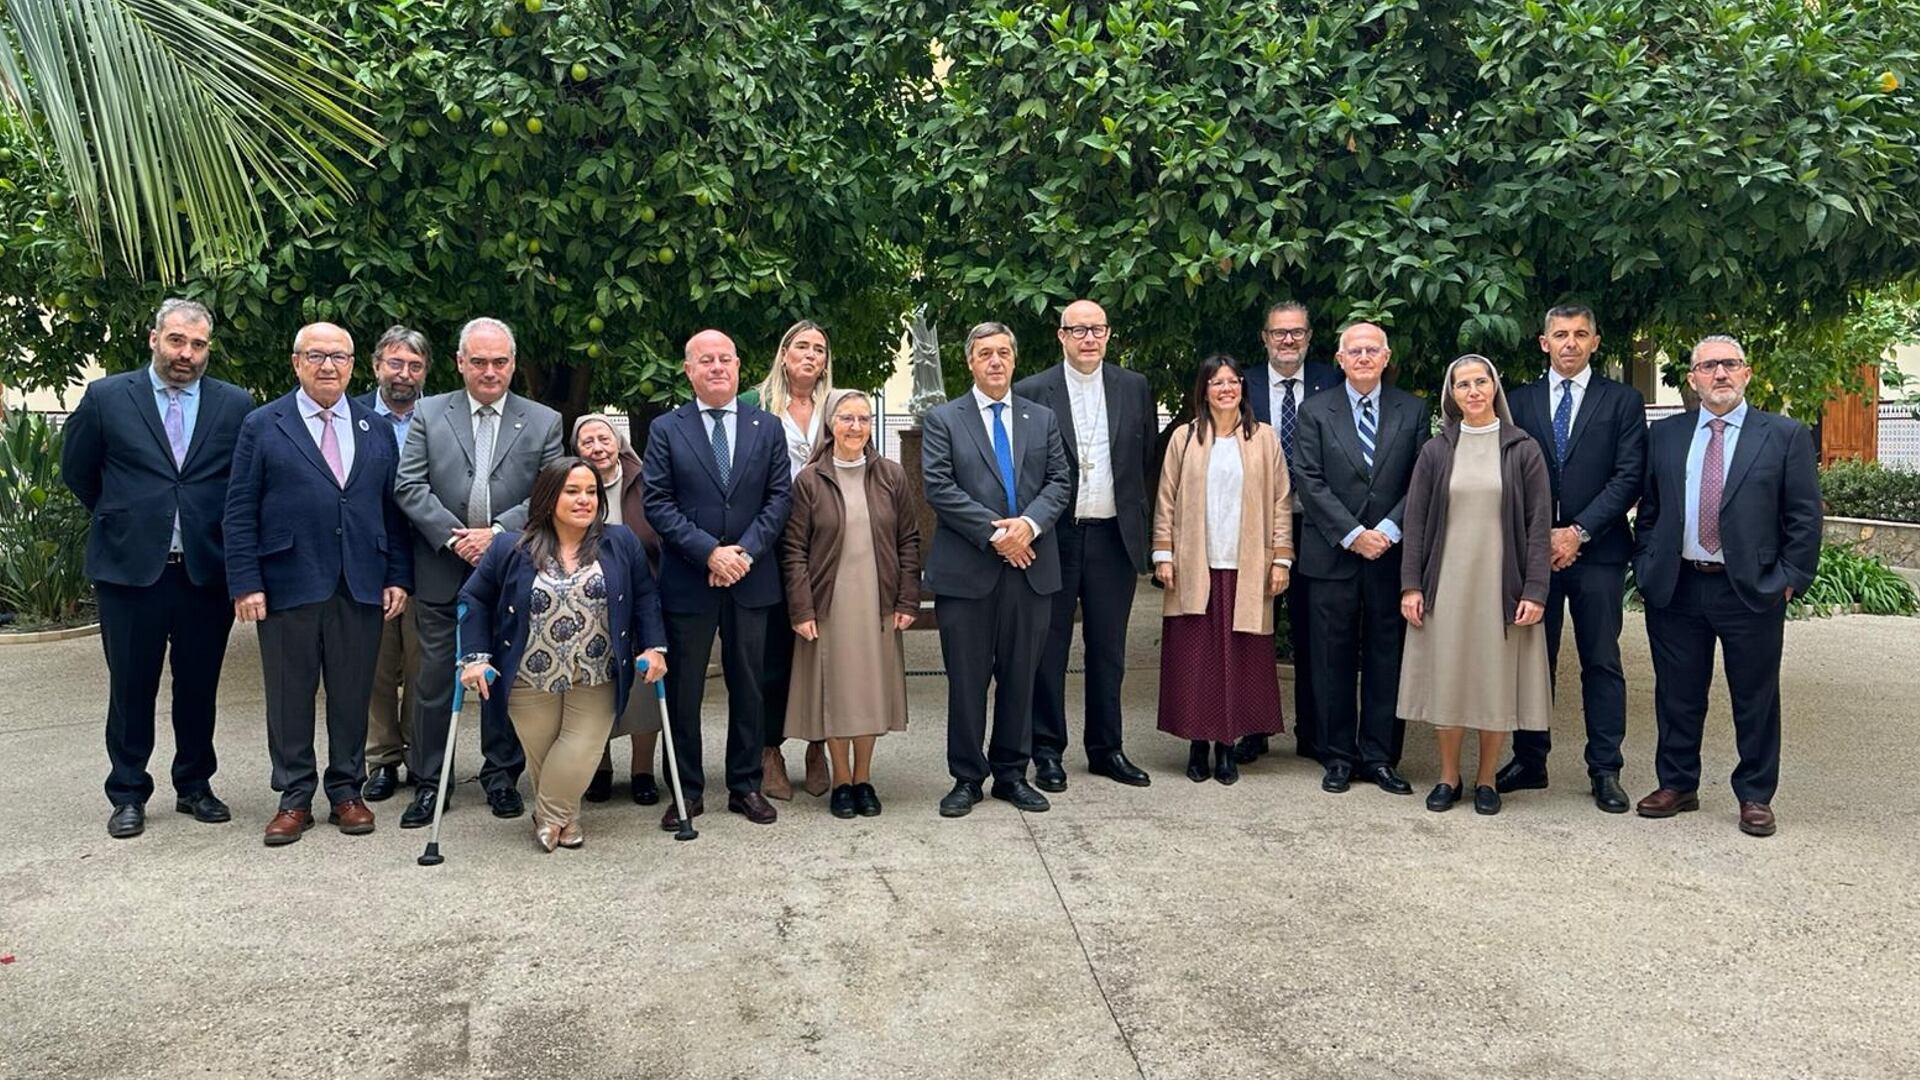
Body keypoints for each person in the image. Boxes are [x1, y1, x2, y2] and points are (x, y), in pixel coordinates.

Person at [60, 298, 253, 839]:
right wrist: (128, 517)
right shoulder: (106, 397)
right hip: (128, 572)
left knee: (198, 686)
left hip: (202, 573)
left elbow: (239, 485)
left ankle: (194, 785)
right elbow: (80, 472)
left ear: (207, 349)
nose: (185, 354)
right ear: (153, 339)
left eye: (196, 345)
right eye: (176, 341)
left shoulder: (233, 404)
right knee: (131, 686)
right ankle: (127, 792)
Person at [223, 323, 414, 845]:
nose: (328, 365)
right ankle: (294, 798)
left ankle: (346, 792)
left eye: (339, 356)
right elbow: (239, 509)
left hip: (361, 582)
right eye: (316, 355)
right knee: (289, 695)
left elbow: (391, 512)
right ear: (296, 362)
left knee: (352, 693)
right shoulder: (263, 425)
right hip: (287, 583)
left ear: (354, 365)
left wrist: (397, 574)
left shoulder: (374, 427)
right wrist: (245, 582)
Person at [1632, 335, 1821, 838]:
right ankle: (1677, 784)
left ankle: (1755, 795)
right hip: (1678, 586)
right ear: (1692, 378)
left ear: (1747, 373)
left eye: (1730, 365)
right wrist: (1648, 563)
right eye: (1708, 366)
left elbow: (1804, 517)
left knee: (1754, 697)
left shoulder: (1783, 435)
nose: (1720, 374)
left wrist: (1787, 580)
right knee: (1677, 694)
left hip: (1751, 590)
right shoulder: (1666, 436)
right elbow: (1649, 509)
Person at [392, 317, 565, 828]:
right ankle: (431, 781)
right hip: (442, 565)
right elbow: (409, 485)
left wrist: (494, 534)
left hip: (510, 568)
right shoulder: (427, 412)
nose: (490, 371)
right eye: (479, 362)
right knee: (431, 680)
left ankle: (501, 775)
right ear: (460, 363)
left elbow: (547, 492)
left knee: (504, 677)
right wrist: (454, 536)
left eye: (500, 362)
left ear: (512, 363)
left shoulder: (543, 419)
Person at [458, 459, 669, 850]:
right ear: (549, 496)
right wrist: (475, 656)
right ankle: (565, 821)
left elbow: (645, 596)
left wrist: (653, 647)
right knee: (544, 755)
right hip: (527, 676)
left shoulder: (619, 542)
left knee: (579, 751)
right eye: (572, 491)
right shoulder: (510, 546)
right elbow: (474, 596)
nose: (584, 500)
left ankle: (549, 816)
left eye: (591, 492)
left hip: (596, 674)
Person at [1497, 304, 1647, 812]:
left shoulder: (1622, 400)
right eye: (1560, 334)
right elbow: (1510, 479)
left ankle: (1605, 768)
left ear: (1595, 342)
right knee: (1532, 660)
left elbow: (1629, 476)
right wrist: (1543, 538)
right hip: (1534, 555)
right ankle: (1530, 759)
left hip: (1599, 553)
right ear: (1544, 343)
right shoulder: (1516, 402)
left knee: (1601, 661)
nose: (1570, 343)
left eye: (1580, 334)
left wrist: (1578, 532)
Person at [642, 329, 793, 829]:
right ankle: (685, 790)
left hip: (752, 578)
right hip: (690, 580)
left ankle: (745, 785)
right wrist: (710, 553)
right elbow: (658, 503)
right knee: (685, 689)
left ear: (738, 365)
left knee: (749, 683)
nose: (717, 367)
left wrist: (743, 552)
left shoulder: (767, 426)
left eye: (725, 358)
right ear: (688, 370)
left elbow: (779, 499)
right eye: (705, 360)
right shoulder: (667, 428)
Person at [920, 322, 1072, 818]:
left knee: (1021, 676)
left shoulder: (1041, 418)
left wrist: (1027, 526)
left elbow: (1059, 482)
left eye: (1004, 352)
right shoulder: (945, 418)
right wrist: (998, 536)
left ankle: (1012, 773)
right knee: (967, 679)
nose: (996, 361)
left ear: (1014, 358)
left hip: (1031, 569)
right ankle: (966, 777)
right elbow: (940, 487)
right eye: (985, 353)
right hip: (969, 573)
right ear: (970, 361)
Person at [1397, 354, 1553, 816]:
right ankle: (1449, 776)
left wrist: (1535, 590)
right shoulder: (1437, 450)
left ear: (1494, 387)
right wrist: (1411, 585)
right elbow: (1416, 521)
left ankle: (1487, 778)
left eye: (1480, 381)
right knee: (1448, 678)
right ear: (1452, 395)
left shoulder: (1522, 448)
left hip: (1500, 586)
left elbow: (1538, 525)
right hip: (1445, 582)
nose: (1473, 391)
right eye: (1462, 384)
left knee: (1492, 681)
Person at [1013, 299, 1157, 791]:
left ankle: (1107, 748)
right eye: (1078, 330)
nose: (1089, 338)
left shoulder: (1133, 388)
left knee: (1108, 650)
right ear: (1061, 336)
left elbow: (1145, 464)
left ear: (1109, 334)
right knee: (1047, 648)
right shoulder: (1032, 391)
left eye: (1097, 329)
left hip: (1113, 536)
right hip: (1055, 537)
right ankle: (1047, 751)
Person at [1293, 322, 1430, 796]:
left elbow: (1421, 480)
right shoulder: (1313, 411)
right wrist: (1353, 534)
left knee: (1385, 658)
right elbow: (1307, 480)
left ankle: (1380, 756)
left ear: (1387, 357)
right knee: (1330, 658)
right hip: (1332, 555)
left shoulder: (1413, 410)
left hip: (1390, 556)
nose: (1365, 357)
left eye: (1373, 350)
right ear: (1340, 358)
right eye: (1356, 351)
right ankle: (1337, 756)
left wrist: (1388, 531)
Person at [1151, 355, 1293, 783]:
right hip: (1197, 566)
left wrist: (1281, 558)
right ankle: (1197, 745)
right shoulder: (1184, 438)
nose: (1226, 388)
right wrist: (1164, 555)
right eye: (1217, 382)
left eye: (1233, 381)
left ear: (1243, 388)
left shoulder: (1264, 439)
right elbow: (1166, 499)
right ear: (1204, 389)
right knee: (1196, 660)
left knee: (1239, 661)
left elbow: (1281, 502)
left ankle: (1228, 745)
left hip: (1247, 565)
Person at [779, 390, 921, 817]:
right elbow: (794, 550)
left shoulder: (892, 476)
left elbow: (909, 540)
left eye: (863, 419)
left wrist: (907, 598)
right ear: (830, 424)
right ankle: (841, 780)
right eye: (846, 419)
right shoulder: (809, 480)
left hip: (877, 599)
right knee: (837, 692)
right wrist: (801, 609)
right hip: (829, 603)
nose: (855, 427)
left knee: (869, 692)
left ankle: (864, 779)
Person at [1240, 300, 1342, 765]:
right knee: (1255, 629)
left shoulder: (1332, 381)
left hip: (1320, 526)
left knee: (1314, 633)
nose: (1287, 340)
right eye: (1279, 333)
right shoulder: (1240, 385)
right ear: (1264, 337)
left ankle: (1315, 732)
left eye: (1296, 332)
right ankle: (1252, 728)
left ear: (1309, 336)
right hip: (1257, 528)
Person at [751, 321, 835, 801]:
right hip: (771, 540)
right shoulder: (754, 406)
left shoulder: (836, 406)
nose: (810, 355)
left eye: (818, 349)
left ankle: (818, 746)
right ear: (783, 354)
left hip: (826, 544)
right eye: (801, 346)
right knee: (774, 652)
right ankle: (769, 749)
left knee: (823, 649)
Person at [571, 413, 665, 807]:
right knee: (596, 686)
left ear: (619, 441)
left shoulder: (646, 478)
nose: (597, 447)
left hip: (644, 590)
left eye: (603, 438)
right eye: (587, 441)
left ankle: (643, 771)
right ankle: (600, 768)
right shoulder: (572, 484)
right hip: (589, 601)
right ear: (577, 451)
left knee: (644, 686)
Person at [354, 325, 431, 802]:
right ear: (377, 365)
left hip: (428, 559)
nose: (404, 374)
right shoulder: (350, 414)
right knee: (375, 666)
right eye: (396, 363)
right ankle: (381, 760)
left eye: (415, 366)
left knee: (425, 664)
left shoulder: (442, 417)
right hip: (367, 560)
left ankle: (423, 757)